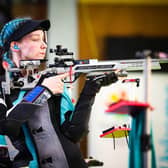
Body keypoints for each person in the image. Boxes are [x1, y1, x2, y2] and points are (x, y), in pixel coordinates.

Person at [0, 17, 118, 168]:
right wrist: (44, 90)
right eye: (36, 39)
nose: (44, 45)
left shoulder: (48, 79)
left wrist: (90, 89)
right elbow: (7, 126)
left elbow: (75, 133)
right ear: (15, 45)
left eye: (44, 39)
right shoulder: (6, 87)